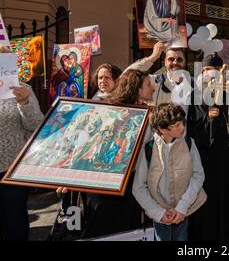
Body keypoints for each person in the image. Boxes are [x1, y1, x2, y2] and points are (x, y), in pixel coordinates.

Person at [56, 69, 155, 239]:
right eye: (148, 84)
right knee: (101, 230)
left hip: (131, 185)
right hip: (103, 186)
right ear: (137, 89)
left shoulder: (147, 113)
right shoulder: (109, 113)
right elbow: (83, 145)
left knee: (128, 232)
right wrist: (68, 177)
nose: (152, 88)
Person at [133, 103, 206, 241]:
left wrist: (182, 207)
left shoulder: (189, 143)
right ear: (161, 128)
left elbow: (198, 175)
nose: (182, 128)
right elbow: (138, 188)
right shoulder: (149, 149)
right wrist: (159, 213)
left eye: (182, 123)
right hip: (160, 217)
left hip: (185, 211)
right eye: (177, 125)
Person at [0, 45, 44, 241]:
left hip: (11, 170)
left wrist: (24, 103)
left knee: (14, 223)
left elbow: (36, 125)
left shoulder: (22, 89)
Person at [187, 54, 229, 241]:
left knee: (221, 198)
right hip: (201, 156)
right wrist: (207, 118)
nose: (207, 74)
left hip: (223, 157)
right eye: (204, 70)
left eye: (211, 70)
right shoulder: (195, 95)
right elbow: (191, 125)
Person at [125, 42, 191, 113]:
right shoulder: (153, 81)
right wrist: (153, 57)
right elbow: (127, 76)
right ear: (165, 62)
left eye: (179, 59)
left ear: (185, 62)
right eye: (171, 59)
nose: (175, 63)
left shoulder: (193, 84)